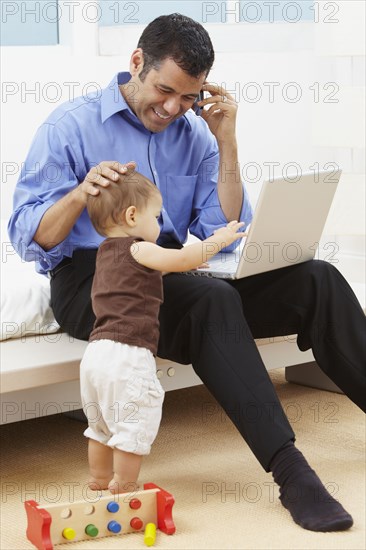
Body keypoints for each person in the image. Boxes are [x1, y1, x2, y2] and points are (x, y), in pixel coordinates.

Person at [8, 13, 365, 532]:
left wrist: (226, 141)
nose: (173, 108)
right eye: (164, 90)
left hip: (170, 274)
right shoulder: (70, 126)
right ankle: (293, 473)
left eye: (188, 97)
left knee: (319, 278)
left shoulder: (193, 132)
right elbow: (30, 236)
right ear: (136, 63)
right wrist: (79, 194)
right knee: (209, 301)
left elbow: (220, 223)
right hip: (96, 284)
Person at [81, 169, 245, 494]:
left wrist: (174, 263)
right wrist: (218, 241)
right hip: (127, 354)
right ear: (131, 216)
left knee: (98, 426)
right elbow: (184, 256)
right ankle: (125, 484)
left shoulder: (105, 252)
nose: (159, 225)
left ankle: (100, 478)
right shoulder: (138, 247)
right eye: (156, 217)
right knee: (134, 422)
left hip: (96, 355)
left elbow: (140, 273)